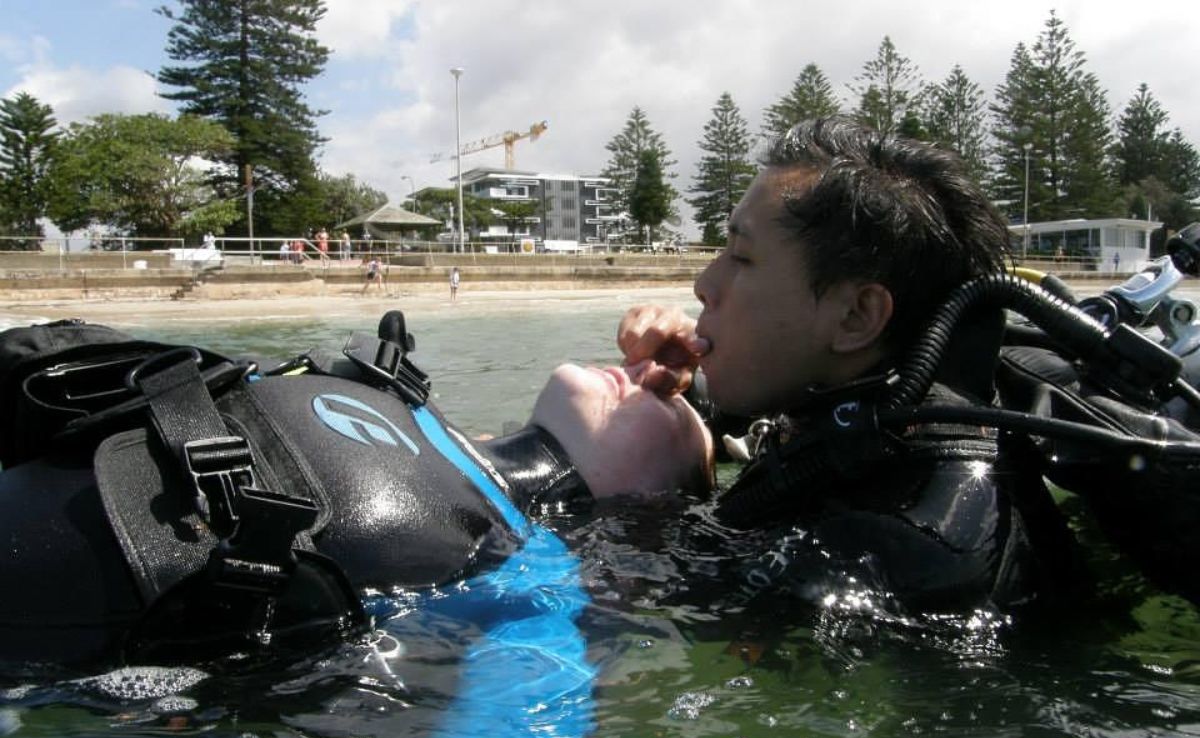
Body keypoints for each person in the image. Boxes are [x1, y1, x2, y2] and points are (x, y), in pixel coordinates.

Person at [0, 312, 713, 669]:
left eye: (681, 405)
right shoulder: (408, 399)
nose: (651, 373)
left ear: (659, 496)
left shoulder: (526, 587)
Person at [617, 116, 1080, 613]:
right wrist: (678, 387)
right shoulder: (885, 411)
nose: (703, 284)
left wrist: (586, 476)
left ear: (857, 317)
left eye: (741, 257)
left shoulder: (892, 549)